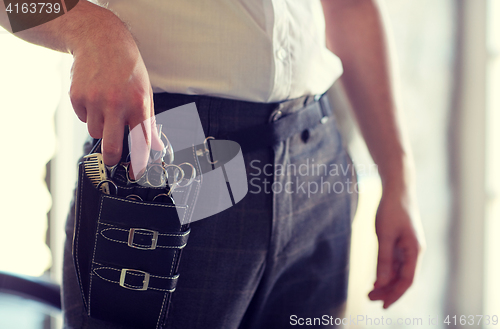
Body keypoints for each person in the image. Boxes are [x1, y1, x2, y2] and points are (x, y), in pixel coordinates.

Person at [0, 0, 424, 328]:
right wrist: (87, 26)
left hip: (314, 155)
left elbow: (350, 6)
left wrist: (398, 176)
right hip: (172, 148)